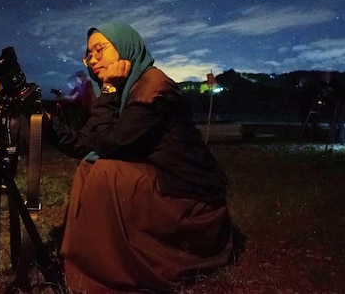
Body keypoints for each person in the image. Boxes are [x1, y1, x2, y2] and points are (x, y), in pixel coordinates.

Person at [45, 22, 233, 293]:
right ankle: (88, 259)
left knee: (105, 171)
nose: (93, 59)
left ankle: (111, 271)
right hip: (162, 185)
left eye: (100, 49)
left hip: (191, 199)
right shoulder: (125, 90)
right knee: (90, 166)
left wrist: (109, 91)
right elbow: (87, 144)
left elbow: (111, 145)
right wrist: (49, 125)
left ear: (126, 48)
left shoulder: (154, 89)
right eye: (89, 54)